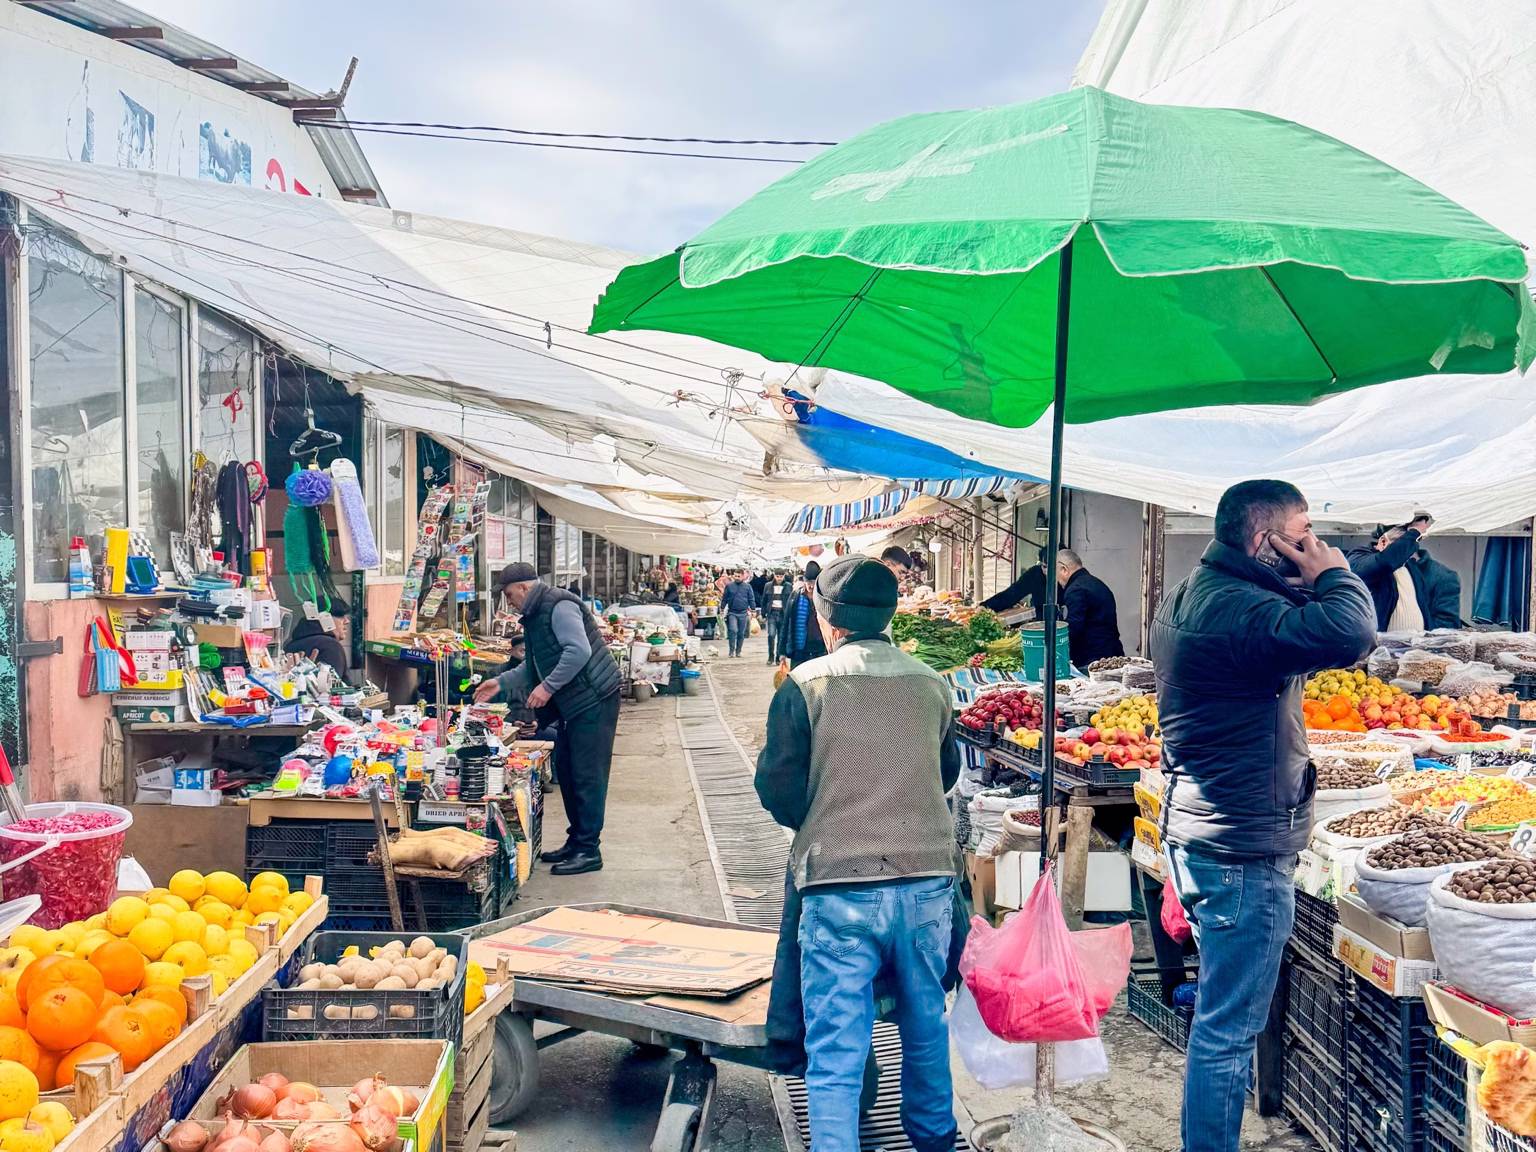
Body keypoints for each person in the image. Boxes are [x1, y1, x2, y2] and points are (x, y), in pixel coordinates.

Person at [1151, 479, 1374, 1152]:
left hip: (1210, 828)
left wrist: (1313, 570)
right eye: (1302, 534)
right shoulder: (1237, 610)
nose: (1315, 546)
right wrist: (1335, 573)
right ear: (1262, 541)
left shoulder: (1202, 591)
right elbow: (1351, 631)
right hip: (1240, 848)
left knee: (1221, 1025)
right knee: (1226, 1033)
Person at [755, 555, 960, 1152]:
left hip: (837, 885)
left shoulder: (806, 683)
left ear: (828, 621)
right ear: (890, 615)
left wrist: (827, 819)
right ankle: (934, 1139)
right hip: (926, 882)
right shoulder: (933, 683)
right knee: (926, 1024)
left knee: (837, 1047)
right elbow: (945, 774)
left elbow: (779, 787)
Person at [475, 562, 622, 875]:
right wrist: (498, 683)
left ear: (525, 588)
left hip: (595, 697)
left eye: (510, 594)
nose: (509, 601)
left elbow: (578, 651)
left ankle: (588, 850)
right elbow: (535, 665)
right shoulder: (535, 614)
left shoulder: (559, 604)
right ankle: (577, 840)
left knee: (587, 775)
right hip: (576, 702)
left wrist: (547, 688)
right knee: (568, 770)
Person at [1346, 513, 1458, 630]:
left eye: (1413, 543)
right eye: (1403, 542)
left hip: (1415, 644)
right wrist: (1413, 533)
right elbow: (1385, 562)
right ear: (1383, 542)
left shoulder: (1412, 567)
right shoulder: (1359, 557)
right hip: (1380, 645)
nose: (1408, 549)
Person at [1056, 548, 1124, 667]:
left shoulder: (1075, 590)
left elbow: (1074, 626)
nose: (1057, 581)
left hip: (1092, 659)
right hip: (1112, 653)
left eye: (1056, 574)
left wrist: (1051, 641)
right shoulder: (1097, 584)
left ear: (1064, 569)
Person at [777, 561, 828, 670]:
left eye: (814, 582)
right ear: (804, 581)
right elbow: (786, 624)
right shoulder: (796, 597)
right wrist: (782, 652)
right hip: (799, 650)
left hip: (820, 650)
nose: (811, 586)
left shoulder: (825, 598)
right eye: (809, 582)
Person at [982, 546, 1049, 616]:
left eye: (1050, 567)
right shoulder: (1035, 574)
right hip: (1041, 622)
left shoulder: (1061, 578)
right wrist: (987, 606)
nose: (1046, 571)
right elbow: (1012, 593)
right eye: (1044, 566)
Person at [720, 569, 758, 658]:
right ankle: (731, 651)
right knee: (733, 630)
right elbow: (724, 598)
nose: (736, 578)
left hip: (743, 613)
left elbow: (751, 599)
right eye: (735, 576)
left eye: (738, 576)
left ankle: (738, 651)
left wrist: (753, 610)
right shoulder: (729, 586)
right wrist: (722, 608)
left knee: (741, 633)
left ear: (742, 576)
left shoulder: (747, 587)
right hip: (732, 612)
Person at [762, 570, 794, 665]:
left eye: (781, 576)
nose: (779, 578)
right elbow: (764, 600)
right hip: (772, 613)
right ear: (774, 576)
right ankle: (770, 656)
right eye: (777, 576)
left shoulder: (788, 586)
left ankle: (777, 657)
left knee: (781, 637)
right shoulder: (768, 586)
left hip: (783, 614)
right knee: (771, 635)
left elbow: (791, 600)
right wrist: (763, 613)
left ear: (784, 576)